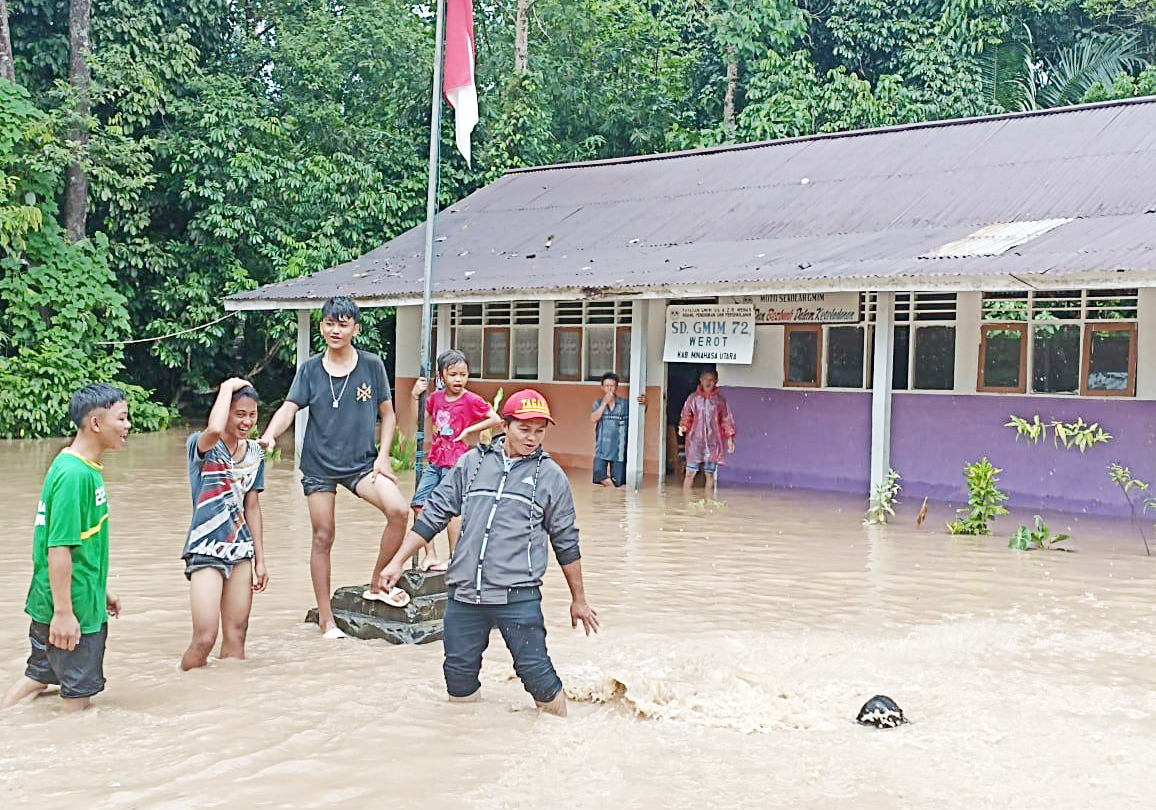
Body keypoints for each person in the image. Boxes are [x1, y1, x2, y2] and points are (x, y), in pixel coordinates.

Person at [378, 389, 599, 717]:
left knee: (538, 677)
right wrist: (396, 562)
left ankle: (562, 736)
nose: (532, 438)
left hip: (517, 596)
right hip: (465, 593)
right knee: (458, 677)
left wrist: (578, 599)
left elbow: (566, 542)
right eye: (524, 429)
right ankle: (468, 742)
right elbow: (436, 513)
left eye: (540, 430)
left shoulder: (551, 477)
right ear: (505, 426)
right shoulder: (472, 463)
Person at [259, 296, 410, 640]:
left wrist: (383, 456)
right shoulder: (310, 369)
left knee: (399, 510)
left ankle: (377, 583)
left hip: (361, 464)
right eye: (329, 323)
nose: (335, 330)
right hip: (319, 466)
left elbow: (388, 414)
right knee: (323, 534)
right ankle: (327, 619)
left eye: (343, 324)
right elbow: (289, 408)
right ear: (322, 326)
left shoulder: (371, 365)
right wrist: (269, 436)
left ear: (356, 328)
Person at [1, 384, 130, 711]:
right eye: (122, 418)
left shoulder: (74, 464)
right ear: (96, 423)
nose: (128, 426)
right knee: (78, 702)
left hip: (63, 599)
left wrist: (100, 588)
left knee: (38, 676)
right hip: (73, 612)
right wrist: (64, 613)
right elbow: (58, 547)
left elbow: (82, 543)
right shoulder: (75, 475)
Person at [180, 378, 269, 670]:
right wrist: (227, 387)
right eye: (239, 414)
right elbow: (215, 429)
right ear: (225, 411)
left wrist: (260, 560)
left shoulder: (256, 453)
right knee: (205, 637)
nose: (247, 421)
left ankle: (228, 699)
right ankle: (186, 689)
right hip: (206, 546)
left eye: (252, 414)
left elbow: (252, 506)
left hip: (241, 549)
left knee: (237, 636)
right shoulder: (203, 445)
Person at [409, 349, 501, 572]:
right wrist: (414, 397)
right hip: (435, 461)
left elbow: (495, 419)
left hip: (457, 464)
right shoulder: (436, 398)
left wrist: (469, 430)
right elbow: (419, 421)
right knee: (419, 504)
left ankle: (454, 557)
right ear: (442, 375)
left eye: (463, 374)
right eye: (453, 374)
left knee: (453, 511)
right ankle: (430, 554)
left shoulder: (471, 399)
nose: (459, 379)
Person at [678, 367, 737, 493]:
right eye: (705, 379)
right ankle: (685, 503)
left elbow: (726, 419)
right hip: (695, 441)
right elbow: (686, 415)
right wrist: (683, 426)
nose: (708, 382)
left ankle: (708, 503)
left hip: (712, 442)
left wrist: (730, 438)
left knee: (709, 475)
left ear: (716, 381)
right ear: (700, 380)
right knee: (690, 473)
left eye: (711, 380)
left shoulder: (720, 401)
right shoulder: (693, 398)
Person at [590, 372, 629, 487]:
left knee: (618, 483)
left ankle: (614, 502)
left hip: (619, 450)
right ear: (602, 387)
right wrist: (604, 403)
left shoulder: (624, 404)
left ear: (617, 387)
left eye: (612, 386)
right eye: (607, 386)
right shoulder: (598, 403)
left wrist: (645, 403)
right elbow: (593, 419)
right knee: (600, 476)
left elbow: (639, 414)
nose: (609, 389)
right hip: (601, 448)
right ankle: (607, 502)